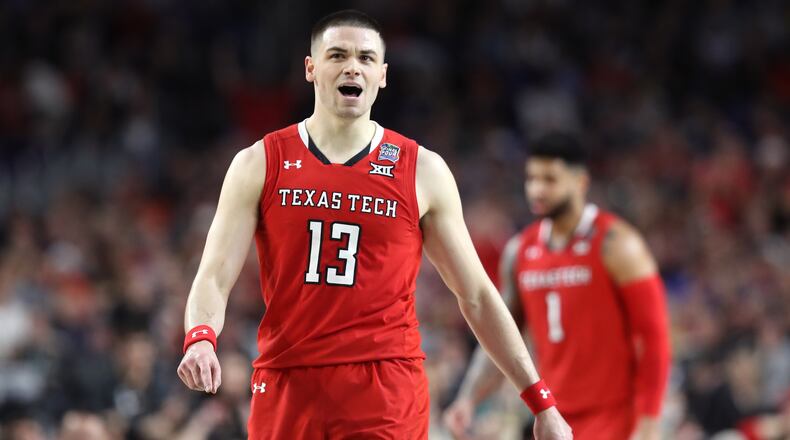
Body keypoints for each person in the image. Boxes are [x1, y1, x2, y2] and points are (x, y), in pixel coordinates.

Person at [175, 9, 572, 440]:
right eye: (338, 55)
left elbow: (476, 294)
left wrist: (540, 400)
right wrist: (200, 337)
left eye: (366, 58)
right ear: (311, 68)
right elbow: (214, 275)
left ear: (382, 75)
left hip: (385, 389)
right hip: (286, 381)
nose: (352, 67)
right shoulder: (258, 163)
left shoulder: (422, 170)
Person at [444, 133, 671, 440]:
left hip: (616, 418)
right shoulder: (519, 251)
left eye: (550, 179)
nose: (537, 189)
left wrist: (649, 422)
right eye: (532, 178)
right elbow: (499, 333)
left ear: (580, 182)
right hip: (555, 420)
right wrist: (468, 398)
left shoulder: (619, 245)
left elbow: (655, 338)